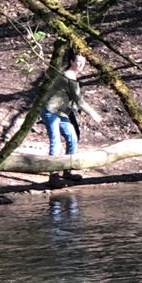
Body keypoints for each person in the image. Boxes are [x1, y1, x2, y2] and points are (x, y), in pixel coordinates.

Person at [42, 51, 102, 187]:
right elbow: (79, 101)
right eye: (78, 62)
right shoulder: (69, 77)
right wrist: (93, 114)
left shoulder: (70, 77)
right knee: (56, 142)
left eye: (83, 63)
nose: (81, 65)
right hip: (50, 111)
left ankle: (67, 170)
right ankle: (53, 176)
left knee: (72, 138)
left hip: (62, 113)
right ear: (71, 62)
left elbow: (70, 98)